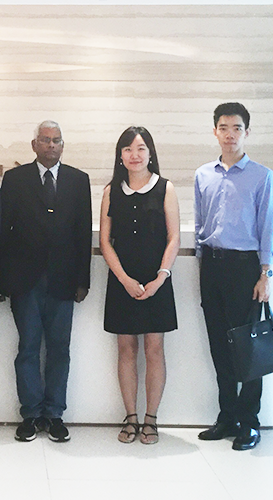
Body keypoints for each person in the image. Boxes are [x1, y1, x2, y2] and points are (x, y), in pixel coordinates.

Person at [0, 120, 91, 443]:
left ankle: (55, 414)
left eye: (56, 140)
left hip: (64, 280)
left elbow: (83, 233)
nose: (51, 145)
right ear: (34, 145)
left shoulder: (78, 180)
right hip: (24, 281)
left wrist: (83, 280)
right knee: (28, 348)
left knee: (60, 349)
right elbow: (2, 231)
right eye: (45, 140)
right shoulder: (15, 179)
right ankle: (31, 415)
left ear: (63, 145)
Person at [195, 102, 273, 451]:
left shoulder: (262, 176)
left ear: (247, 132)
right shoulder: (204, 174)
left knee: (247, 347)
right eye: (224, 128)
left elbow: (268, 227)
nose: (230, 135)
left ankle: (249, 422)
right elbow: (200, 223)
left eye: (237, 128)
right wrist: (201, 264)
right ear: (215, 131)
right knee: (219, 345)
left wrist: (265, 273)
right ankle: (227, 416)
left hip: (245, 269)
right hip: (212, 266)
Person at [100, 126, 180, 445]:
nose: (135, 155)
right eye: (128, 149)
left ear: (150, 153)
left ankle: (151, 419)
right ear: (120, 156)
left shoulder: (165, 188)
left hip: (156, 279)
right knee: (126, 348)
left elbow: (174, 237)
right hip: (123, 279)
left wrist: (161, 277)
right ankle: (131, 417)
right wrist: (124, 279)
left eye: (141, 148)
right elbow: (105, 242)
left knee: (154, 348)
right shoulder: (111, 191)